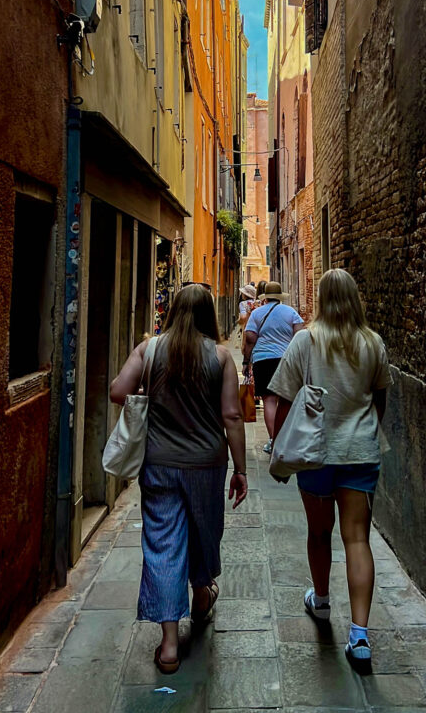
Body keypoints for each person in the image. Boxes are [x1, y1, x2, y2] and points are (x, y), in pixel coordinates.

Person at [109, 285, 247, 674]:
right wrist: (241, 470)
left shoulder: (149, 350)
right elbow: (232, 417)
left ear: (173, 311)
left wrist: (148, 391)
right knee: (204, 531)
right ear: (208, 315)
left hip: (159, 463)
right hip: (206, 464)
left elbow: (117, 391)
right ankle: (201, 594)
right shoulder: (221, 357)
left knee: (163, 543)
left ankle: (169, 646)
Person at [268, 269, 392, 672]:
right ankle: (359, 636)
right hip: (359, 451)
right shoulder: (373, 344)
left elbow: (282, 400)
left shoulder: (305, 342)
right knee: (357, 539)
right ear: (355, 298)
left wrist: (281, 450)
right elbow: (380, 400)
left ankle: (321, 600)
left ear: (321, 299)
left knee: (319, 533)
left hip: (315, 454)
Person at [243, 281, 303, 453]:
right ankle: (286, 439)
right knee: (286, 399)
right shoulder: (291, 312)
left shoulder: (256, 314)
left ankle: (273, 440)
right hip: (286, 359)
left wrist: (246, 362)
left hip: (263, 360)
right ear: (279, 296)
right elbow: (300, 334)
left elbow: (250, 339)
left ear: (265, 297)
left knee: (269, 400)